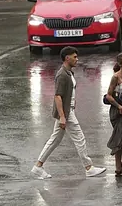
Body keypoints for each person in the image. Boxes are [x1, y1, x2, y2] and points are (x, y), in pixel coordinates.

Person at [31, 46, 107, 179]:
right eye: (74, 57)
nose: (77, 59)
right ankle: (89, 168)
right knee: (79, 138)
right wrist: (62, 116)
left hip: (68, 110)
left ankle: (38, 166)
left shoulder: (69, 73)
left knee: (55, 140)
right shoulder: (62, 75)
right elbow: (57, 96)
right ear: (67, 58)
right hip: (66, 113)